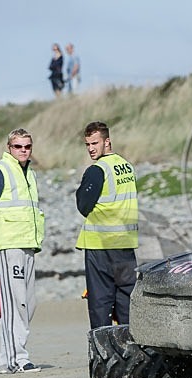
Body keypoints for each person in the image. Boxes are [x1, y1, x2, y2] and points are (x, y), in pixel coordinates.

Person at [0, 128, 45, 374]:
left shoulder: (30, 174)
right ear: (9, 147)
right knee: (15, 303)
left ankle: (8, 359)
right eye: (18, 146)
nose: (23, 150)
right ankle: (18, 359)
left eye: (27, 146)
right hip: (7, 245)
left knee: (28, 303)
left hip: (27, 244)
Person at [75, 121, 139, 329]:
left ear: (107, 141)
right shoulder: (126, 166)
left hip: (100, 245)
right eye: (88, 144)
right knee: (126, 302)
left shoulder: (97, 170)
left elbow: (83, 204)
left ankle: (103, 355)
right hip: (125, 244)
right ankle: (133, 352)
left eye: (95, 143)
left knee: (100, 303)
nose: (91, 148)